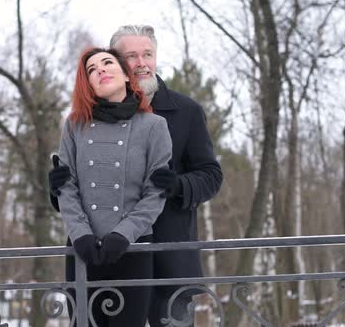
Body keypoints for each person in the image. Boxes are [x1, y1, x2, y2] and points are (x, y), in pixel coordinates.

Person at [50, 25, 223, 326]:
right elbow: (81, 189)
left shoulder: (186, 111)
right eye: (132, 55)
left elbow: (211, 175)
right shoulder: (81, 124)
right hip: (103, 258)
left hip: (168, 258)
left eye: (148, 54)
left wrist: (178, 185)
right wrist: (56, 190)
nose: (142, 62)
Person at [58, 46, 172, 326]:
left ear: (124, 75)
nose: (100, 70)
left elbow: (155, 192)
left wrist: (124, 234)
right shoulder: (74, 126)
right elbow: (65, 186)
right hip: (84, 249)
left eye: (107, 63)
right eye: (91, 70)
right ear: (88, 85)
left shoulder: (154, 126)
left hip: (133, 249)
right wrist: (80, 234)